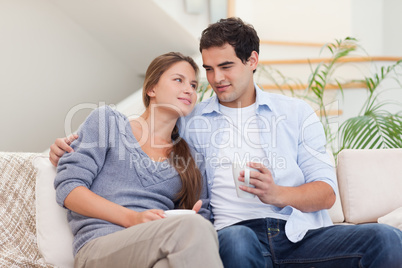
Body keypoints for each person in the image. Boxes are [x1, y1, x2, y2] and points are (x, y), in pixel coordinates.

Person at [51, 18, 402, 267]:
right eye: (207, 69)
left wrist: (276, 193)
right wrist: (66, 145)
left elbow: (326, 193)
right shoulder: (190, 122)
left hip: (299, 236)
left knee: (385, 238)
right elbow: (143, 130)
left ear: (252, 61)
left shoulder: (296, 113)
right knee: (232, 241)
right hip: (234, 235)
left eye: (226, 66)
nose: (214, 79)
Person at [53, 52, 223, 268]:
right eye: (178, 80)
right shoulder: (108, 122)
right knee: (192, 228)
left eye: (193, 85)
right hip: (99, 249)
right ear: (151, 89)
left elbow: (202, 220)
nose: (189, 90)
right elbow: (68, 189)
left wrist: (194, 215)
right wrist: (132, 218)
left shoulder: (191, 158)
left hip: (156, 251)